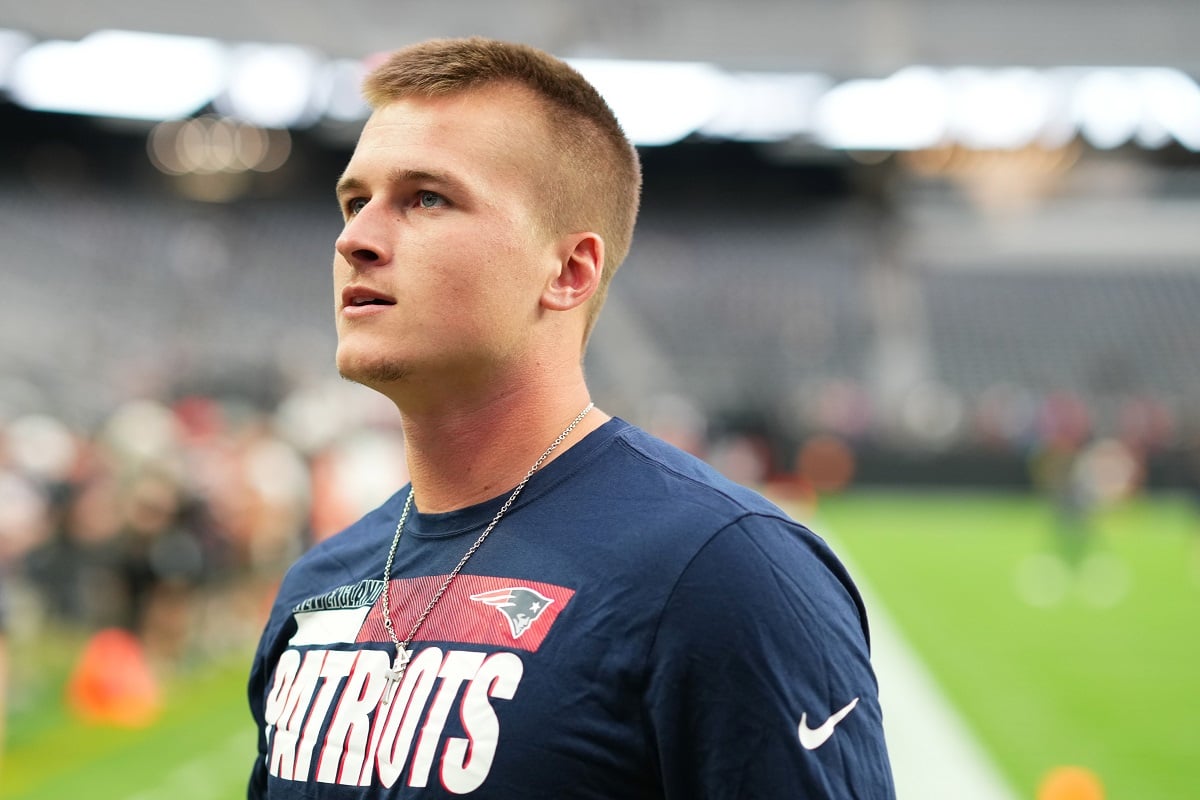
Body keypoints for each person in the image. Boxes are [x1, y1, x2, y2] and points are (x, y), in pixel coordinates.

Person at [248, 37, 895, 798]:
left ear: (569, 270)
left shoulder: (723, 572)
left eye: (427, 197)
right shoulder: (318, 588)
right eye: (356, 201)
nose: (354, 238)